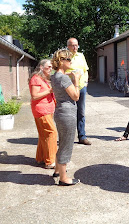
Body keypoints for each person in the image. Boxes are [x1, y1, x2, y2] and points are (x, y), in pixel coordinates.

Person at [51, 49, 81, 186]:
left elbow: (61, 79)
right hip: (67, 114)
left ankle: (58, 170)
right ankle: (64, 178)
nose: (71, 61)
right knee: (66, 145)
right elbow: (76, 96)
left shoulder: (55, 76)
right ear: (61, 61)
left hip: (59, 112)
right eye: (68, 59)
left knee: (62, 142)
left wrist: (69, 75)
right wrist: (76, 81)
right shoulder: (63, 78)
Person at [28, 59, 57, 169]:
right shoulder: (36, 79)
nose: (50, 69)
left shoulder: (43, 79)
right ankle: (50, 161)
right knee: (51, 133)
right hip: (41, 110)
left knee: (43, 134)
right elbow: (34, 96)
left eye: (51, 67)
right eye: (48, 67)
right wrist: (50, 91)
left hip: (47, 110)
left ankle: (41, 158)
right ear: (41, 67)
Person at [66, 38, 91, 145]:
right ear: (68, 46)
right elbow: (60, 72)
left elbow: (85, 70)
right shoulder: (65, 57)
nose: (75, 48)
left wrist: (85, 82)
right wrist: (71, 74)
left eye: (76, 45)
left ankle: (82, 136)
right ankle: (68, 138)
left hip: (81, 87)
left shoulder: (81, 56)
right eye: (73, 45)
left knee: (81, 112)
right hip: (69, 88)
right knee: (69, 113)